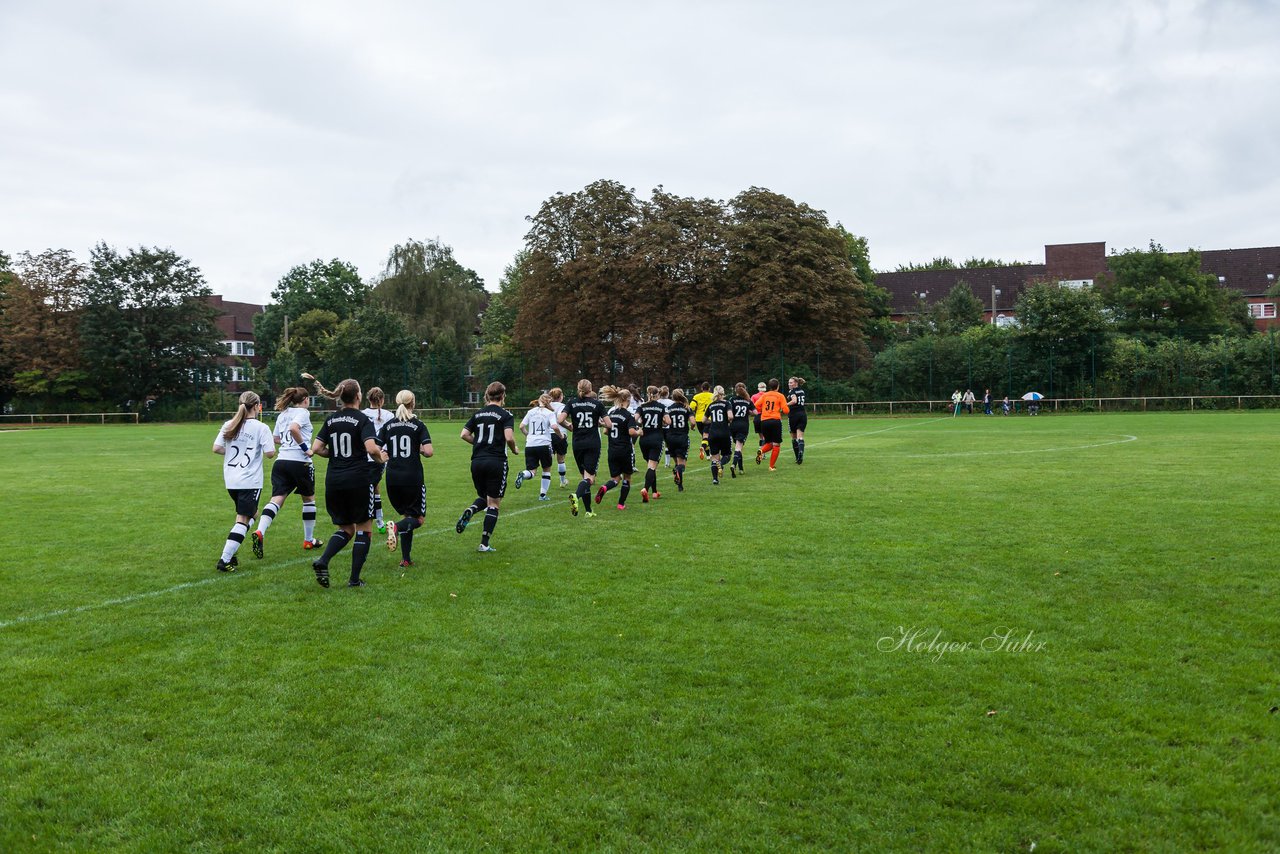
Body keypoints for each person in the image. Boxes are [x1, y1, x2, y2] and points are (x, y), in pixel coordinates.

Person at [308, 378, 384, 588]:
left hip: (334, 480)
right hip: (358, 479)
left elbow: (317, 448)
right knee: (363, 528)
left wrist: (337, 454)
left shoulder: (331, 420)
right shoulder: (362, 420)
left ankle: (323, 560)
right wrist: (381, 458)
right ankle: (354, 580)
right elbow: (371, 448)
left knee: (346, 529)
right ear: (358, 396)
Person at [250, 386, 322, 560]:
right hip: (300, 463)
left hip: (281, 462)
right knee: (308, 499)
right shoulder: (303, 413)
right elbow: (294, 429)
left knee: (277, 498)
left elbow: (276, 439)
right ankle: (308, 540)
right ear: (305, 400)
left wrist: (288, 444)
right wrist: (306, 448)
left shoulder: (283, 414)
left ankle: (260, 531)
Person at [212, 391, 276, 572]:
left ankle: (232, 552)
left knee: (252, 515)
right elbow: (270, 453)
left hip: (231, 481)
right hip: (250, 481)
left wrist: (232, 452)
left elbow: (216, 448)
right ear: (256, 406)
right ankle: (225, 560)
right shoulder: (261, 427)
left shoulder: (229, 424)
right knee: (243, 518)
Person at [456, 381, 519, 552]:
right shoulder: (506, 415)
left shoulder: (478, 414)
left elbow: (464, 434)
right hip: (496, 461)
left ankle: (471, 509)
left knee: (484, 497)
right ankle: (484, 543)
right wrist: (514, 450)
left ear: (487, 396)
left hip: (477, 461)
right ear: (503, 396)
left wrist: (479, 443)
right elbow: (509, 437)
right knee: (494, 504)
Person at [379, 390, 434, 567]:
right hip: (412, 476)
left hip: (392, 477)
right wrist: (417, 448)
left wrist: (384, 454)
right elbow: (429, 452)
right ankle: (395, 527)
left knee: (407, 515)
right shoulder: (418, 425)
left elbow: (374, 448)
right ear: (413, 403)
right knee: (418, 519)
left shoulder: (388, 425)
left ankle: (406, 559)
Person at [565, 379, 612, 519]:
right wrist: (600, 424)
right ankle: (576, 495)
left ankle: (588, 510)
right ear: (590, 388)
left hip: (577, 443)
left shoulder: (572, 402)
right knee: (589, 478)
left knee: (584, 477)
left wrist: (570, 426)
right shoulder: (597, 404)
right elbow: (609, 424)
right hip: (592, 443)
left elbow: (560, 419)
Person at [595, 386, 640, 509]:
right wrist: (639, 432)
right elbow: (631, 432)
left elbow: (605, 431)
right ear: (627, 399)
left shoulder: (612, 414)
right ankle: (621, 504)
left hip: (612, 450)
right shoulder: (628, 415)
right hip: (625, 450)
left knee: (615, 479)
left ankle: (605, 487)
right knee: (627, 477)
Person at [516, 393, 561, 501]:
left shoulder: (530, 412)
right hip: (544, 444)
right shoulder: (550, 413)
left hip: (530, 444)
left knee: (532, 471)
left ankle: (523, 474)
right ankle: (542, 495)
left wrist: (528, 435)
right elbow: (555, 426)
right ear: (548, 402)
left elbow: (521, 426)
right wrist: (560, 435)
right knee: (546, 469)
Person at [361, 387, 393, 533]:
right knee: (372, 488)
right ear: (382, 400)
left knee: (373, 487)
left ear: (369, 400)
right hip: (380, 457)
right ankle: (376, 521)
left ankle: (378, 521)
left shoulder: (362, 414)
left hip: (364, 456)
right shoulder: (389, 415)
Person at [636, 385, 671, 502]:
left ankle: (655, 492)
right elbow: (668, 421)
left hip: (644, 439)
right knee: (652, 466)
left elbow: (635, 419)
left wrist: (641, 424)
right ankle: (645, 489)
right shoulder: (661, 407)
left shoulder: (642, 406)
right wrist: (662, 422)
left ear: (648, 394)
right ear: (658, 395)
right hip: (656, 438)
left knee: (650, 466)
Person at [753, 378, 790, 471]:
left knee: (768, 442)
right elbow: (786, 410)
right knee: (776, 444)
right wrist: (781, 409)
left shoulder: (765, 395)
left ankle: (761, 451)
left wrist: (764, 409)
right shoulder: (780, 396)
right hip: (775, 421)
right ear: (777, 386)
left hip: (764, 421)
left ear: (769, 386)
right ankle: (771, 466)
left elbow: (756, 405)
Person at [703, 385, 733, 484]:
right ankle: (721, 463)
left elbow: (704, 420)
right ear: (723, 393)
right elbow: (730, 416)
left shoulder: (711, 405)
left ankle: (715, 479)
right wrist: (728, 421)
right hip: (724, 432)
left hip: (713, 433)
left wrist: (713, 422)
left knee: (714, 457)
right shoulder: (727, 403)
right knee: (727, 455)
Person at [665, 389, 693, 491]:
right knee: (682, 465)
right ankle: (679, 483)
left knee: (676, 461)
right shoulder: (686, 408)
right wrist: (692, 426)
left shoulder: (669, 408)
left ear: (673, 397)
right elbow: (693, 421)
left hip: (670, 437)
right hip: (682, 437)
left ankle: (677, 476)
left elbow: (665, 421)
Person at [729, 382, 754, 473]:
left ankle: (741, 468)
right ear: (745, 389)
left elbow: (729, 412)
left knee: (738, 447)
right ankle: (734, 464)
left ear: (736, 390)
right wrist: (749, 412)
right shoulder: (748, 400)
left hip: (733, 426)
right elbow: (755, 412)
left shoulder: (732, 399)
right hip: (743, 425)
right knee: (739, 447)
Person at [547, 387, 570, 487]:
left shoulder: (547, 405)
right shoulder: (562, 406)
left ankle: (545, 483)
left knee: (548, 460)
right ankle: (562, 481)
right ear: (560, 396)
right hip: (559, 434)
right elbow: (560, 418)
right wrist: (569, 425)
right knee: (561, 459)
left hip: (548, 435)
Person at [786, 376, 808, 464]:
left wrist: (785, 404)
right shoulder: (802, 391)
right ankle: (801, 452)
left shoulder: (792, 391)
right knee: (800, 437)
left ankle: (797, 457)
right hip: (803, 414)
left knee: (794, 438)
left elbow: (794, 401)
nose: (789, 384)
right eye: (789, 382)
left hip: (793, 415)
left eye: (791, 383)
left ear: (796, 383)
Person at [690, 382, 713, 460]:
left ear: (702, 388)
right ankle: (703, 448)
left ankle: (708, 455)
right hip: (709, 419)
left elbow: (692, 407)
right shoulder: (712, 396)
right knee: (706, 437)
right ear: (709, 389)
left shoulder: (696, 396)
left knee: (704, 438)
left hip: (699, 419)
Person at [657, 385, 675, 468]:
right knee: (668, 445)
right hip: (668, 426)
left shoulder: (657, 401)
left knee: (659, 445)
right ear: (668, 393)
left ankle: (654, 462)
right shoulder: (671, 402)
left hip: (659, 426)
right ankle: (667, 463)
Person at [751, 381, 766, 447]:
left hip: (757, 417)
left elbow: (751, 406)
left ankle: (760, 454)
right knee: (765, 436)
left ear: (758, 388)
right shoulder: (768, 395)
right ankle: (763, 452)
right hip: (766, 417)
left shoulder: (754, 396)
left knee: (761, 437)